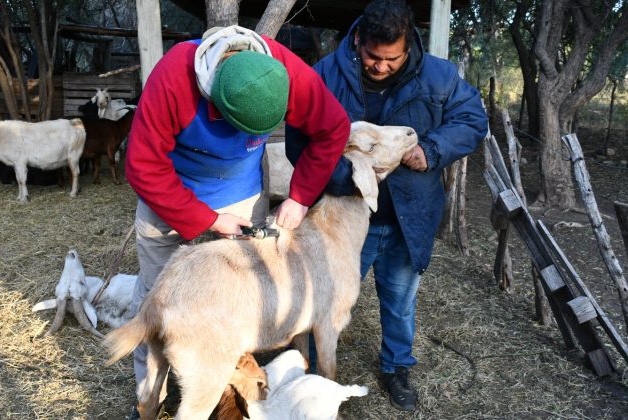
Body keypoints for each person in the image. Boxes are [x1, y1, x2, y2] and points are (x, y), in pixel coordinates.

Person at [124, 25, 351, 418]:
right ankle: (149, 398)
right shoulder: (174, 77)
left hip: (241, 195)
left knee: (237, 303)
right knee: (156, 298)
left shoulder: (282, 71)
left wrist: (299, 196)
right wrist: (206, 218)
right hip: (169, 196)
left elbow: (333, 128)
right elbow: (143, 165)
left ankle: (226, 398)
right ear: (215, 99)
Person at [286, 0, 488, 412]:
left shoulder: (439, 75)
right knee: (320, 295)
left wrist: (431, 149)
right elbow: (298, 143)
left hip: (407, 214)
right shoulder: (325, 75)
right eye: (372, 57)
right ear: (358, 39)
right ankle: (301, 367)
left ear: (407, 46)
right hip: (341, 217)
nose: (379, 66)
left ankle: (396, 367)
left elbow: (471, 120)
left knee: (399, 298)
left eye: (390, 59)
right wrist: (350, 180)